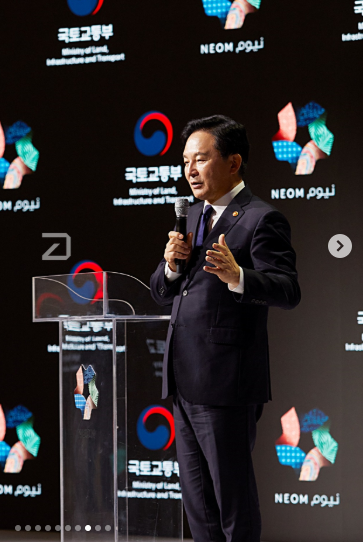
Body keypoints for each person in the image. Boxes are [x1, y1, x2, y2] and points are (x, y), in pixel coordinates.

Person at [150, 115, 300, 542]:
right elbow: (161, 291)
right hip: (183, 380)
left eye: (201, 159)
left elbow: (288, 290)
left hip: (226, 383)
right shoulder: (191, 217)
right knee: (198, 506)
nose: (190, 170)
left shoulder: (261, 218)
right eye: (185, 161)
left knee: (233, 501)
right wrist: (171, 266)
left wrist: (239, 277)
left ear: (233, 162)